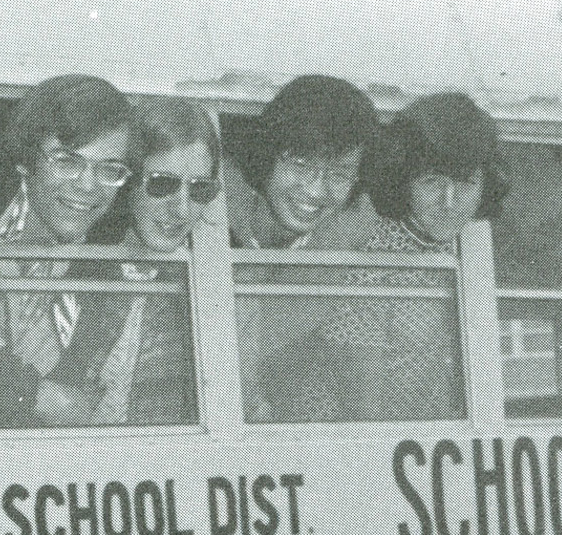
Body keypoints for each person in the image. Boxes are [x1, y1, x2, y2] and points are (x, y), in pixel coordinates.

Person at [260, 93, 505, 422]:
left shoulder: (460, 246)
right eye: (432, 181)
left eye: (465, 183)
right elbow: (365, 410)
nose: (449, 201)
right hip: (344, 436)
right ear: (403, 180)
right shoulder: (372, 256)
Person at [0, 73, 136, 428]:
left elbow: (85, 406)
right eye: (66, 162)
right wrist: (36, 394)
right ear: (25, 160)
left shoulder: (104, 267)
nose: (87, 186)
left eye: (109, 170)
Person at [47, 97, 219, 425]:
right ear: (127, 181)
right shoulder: (75, 262)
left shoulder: (211, 273)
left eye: (200, 190)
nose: (181, 209)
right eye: (162, 184)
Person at [225, 74, 378, 250]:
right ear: (266, 157)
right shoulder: (218, 203)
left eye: (339, 174)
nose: (316, 191)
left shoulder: (357, 230)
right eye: (301, 165)